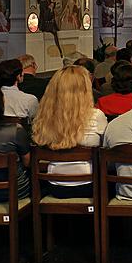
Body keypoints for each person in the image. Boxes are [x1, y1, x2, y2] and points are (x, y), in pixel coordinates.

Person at [32, 66, 108, 198]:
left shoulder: (44, 117)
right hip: (88, 184)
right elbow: (105, 148)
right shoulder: (96, 116)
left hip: (54, 184)